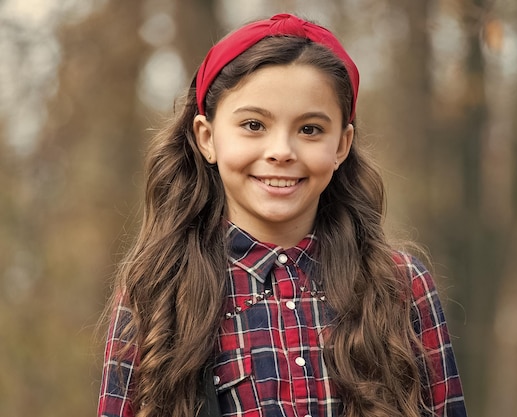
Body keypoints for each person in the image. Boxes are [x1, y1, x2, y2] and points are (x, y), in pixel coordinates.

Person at [98, 13, 467, 417]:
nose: (282, 151)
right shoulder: (159, 290)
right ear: (207, 138)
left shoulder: (401, 286)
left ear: (342, 145)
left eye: (310, 130)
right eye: (254, 125)